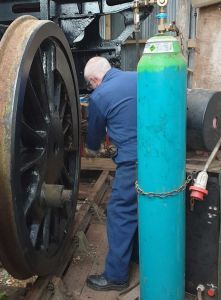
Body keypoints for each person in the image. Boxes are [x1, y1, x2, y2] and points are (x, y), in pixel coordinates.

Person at [84, 56, 137, 291]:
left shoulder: (99, 95)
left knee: (120, 212)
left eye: (91, 85)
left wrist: (90, 150)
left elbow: (94, 139)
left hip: (133, 161)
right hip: (162, 155)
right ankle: (139, 255)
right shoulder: (138, 77)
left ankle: (116, 276)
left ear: (95, 80)